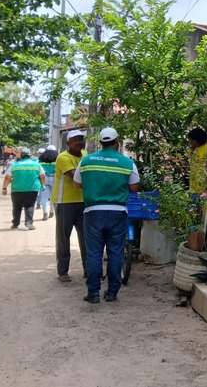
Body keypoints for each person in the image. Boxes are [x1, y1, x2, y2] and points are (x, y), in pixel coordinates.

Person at [74, 128, 140, 303]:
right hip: (118, 213)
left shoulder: (86, 161)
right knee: (116, 252)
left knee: (94, 253)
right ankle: (112, 292)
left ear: (101, 142)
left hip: (93, 212)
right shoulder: (127, 162)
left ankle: (93, 293)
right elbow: (134, 188)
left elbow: (77, 184)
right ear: (117, 142)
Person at [53, 129, 87, 283]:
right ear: (68, 143)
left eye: (81, 139)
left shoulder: (86, 155)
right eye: (75, 140)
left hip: (83, 201)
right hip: (64, 202)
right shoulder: (63, 157)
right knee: (64, 238)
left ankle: (89, 270)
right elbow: (75, 178)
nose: (79, 142)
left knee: (87, 237)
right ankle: (63, 272)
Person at [2, 147, 45, 230]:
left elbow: (7, 178)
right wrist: (43, 185)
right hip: (32, 189)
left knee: (16, 207)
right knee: (30, 206)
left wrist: (4, 188)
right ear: (29, 155)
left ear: (21, 155)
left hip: (17, 190)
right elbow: (42, 176)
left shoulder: (14, 165)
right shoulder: (37, 165)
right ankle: (29, 223)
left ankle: (15, 223)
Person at [37, 146, 58, 220]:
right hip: (54, 178)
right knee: (53, 196)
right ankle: (52, 212)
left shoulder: (41, 158)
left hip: (44, 178)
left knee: (44, 197)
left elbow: (38, 168)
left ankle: (45, 212)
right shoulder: (58, 158)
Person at [187, 127, 207, 195]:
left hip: (201, 184)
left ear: (195, 140)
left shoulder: (205, 148)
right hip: (194, 183)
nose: (189, 141)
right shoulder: (197, 148)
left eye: (190, 140)